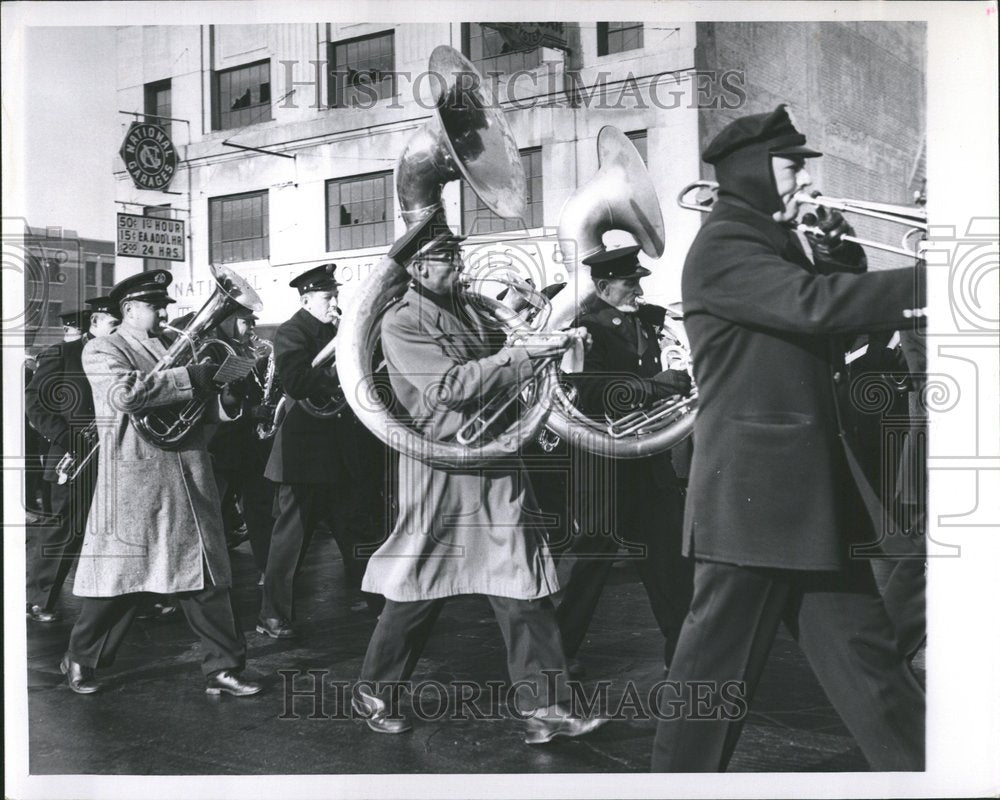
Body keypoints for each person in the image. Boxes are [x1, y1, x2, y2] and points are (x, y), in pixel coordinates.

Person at [651, 104, 926, 771]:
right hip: (758, 496)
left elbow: (834, 323)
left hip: (799, 496)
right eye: (792, 165)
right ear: (752, 170)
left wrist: (845, 256)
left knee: (870, 666)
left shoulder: (768, 241)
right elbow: (813, 306)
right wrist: (941, 278)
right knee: (709, 682)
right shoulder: (724, 245)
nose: (805, 179)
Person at [355, 214, 609, 745]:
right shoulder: (402, 321)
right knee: (417, 589)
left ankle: (547, 709)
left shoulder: (468, 310)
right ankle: (376, 690)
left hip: (492, 464)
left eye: (456, 256)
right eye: (448, 258)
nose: (459, 265)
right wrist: (522, 355)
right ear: (420, 266)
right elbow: (447, 388)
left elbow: (509, 358)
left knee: (523, 587)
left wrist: (553, 340)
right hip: (441, 468)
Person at [60, 270, 261, 698]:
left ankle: (224, 668)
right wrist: (193, 378)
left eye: (164, 306)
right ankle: (81, 655)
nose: (164, 314)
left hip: (189, 473)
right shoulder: (102, 348)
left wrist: (227, 392)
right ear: (129, 310)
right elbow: (125, 396)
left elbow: (201, 409)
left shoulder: (173, 346)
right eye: (156, 307)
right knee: (121, 583)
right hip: (137, 478)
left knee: (205, 578)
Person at [555, 246, 694, 675]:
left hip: (646, 464)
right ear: (603, 285)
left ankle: (686, 656)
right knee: (589, 567)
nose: (638, 288)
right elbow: (589, 390)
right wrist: (657, 386)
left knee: (669, 564)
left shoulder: (644, 322)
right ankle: (555, 655)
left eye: (638, 280)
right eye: (630, 282)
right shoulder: (585, 326)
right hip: (604, 465)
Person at [259, 263, 378, 638]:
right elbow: (295, 381)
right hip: (304, 455)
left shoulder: (336, 329)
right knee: (291, 541)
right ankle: (272, 615)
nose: (335, 303)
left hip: (340, 451)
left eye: (335, 296)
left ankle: (380, 606)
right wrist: (343, 375)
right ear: (307, 299)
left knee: (357, 535)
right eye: (328, 297)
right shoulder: (292, 331)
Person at [24, 301, 119, 622]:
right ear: (94, 323)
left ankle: (126, 600)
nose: (119, 333)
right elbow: (36, 404)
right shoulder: (61, 354)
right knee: (65, 529)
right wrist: (68, 438)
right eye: (113, 326)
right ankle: (40, 598)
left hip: (115, 455)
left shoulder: (121, 354)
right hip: (73, 454)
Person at [206, 307, 275, 575]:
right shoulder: (214, 350)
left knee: (259, 509)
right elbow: (218, 398)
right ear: (228, 321)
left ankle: (267, 569)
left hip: (247, 446)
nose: (251, 329)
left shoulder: (245, 350)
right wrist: (251, 412)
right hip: (222, 444)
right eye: (246, 322)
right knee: (215, 510)